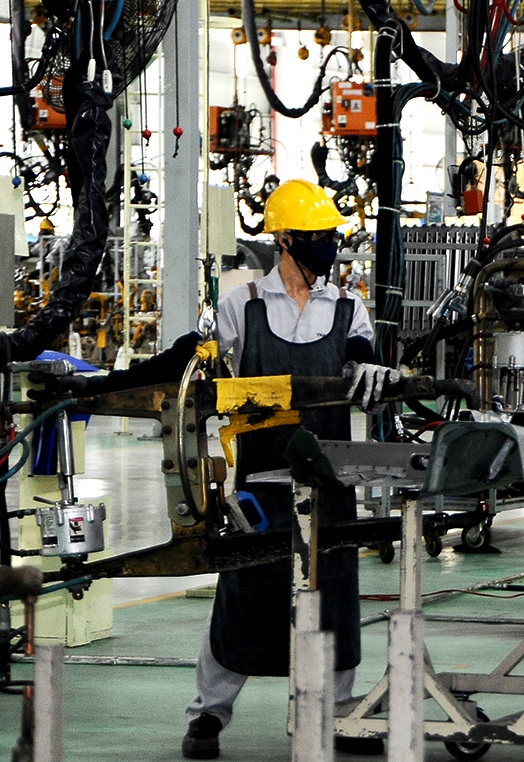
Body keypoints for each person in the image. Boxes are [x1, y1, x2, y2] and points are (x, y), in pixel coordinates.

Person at [183, 180, 396, 759]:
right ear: (285, 240)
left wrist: (373, 370)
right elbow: (196, 364)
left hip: (330, 482)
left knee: (336, 597)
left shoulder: (348, 308)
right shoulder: (243, 305)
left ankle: (335, 715)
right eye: (318, 236)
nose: (329, 245)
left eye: (331, 235)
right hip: (261, 483)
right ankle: (208, 715)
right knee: (245, 594)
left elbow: (366, 364)